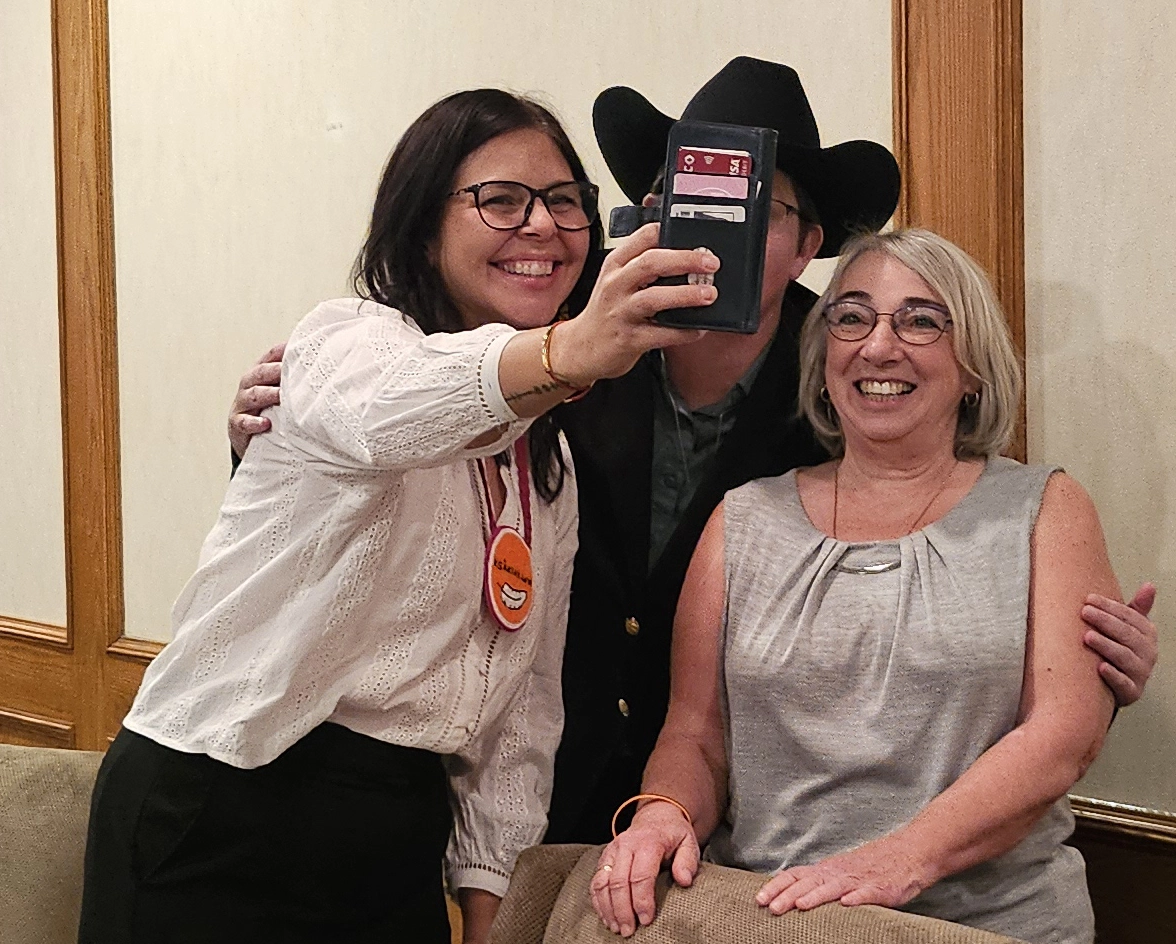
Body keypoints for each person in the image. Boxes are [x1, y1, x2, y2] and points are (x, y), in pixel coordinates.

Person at [226, 59, 1159, 846]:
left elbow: (951, 580)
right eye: (697, 200)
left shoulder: (855, 385)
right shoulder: (563, 328)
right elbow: (413, 431)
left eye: (763, 209)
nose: (725, 230)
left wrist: (1084, 665)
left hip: (735, 830)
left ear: (808, 245)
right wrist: (276, 438)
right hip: (510, 792)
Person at [78, 88, 718, 944]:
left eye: (565, 201)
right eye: (500, 199)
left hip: (392, 836)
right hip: (219, 807)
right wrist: (572, 352)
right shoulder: (342, 344)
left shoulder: (547, 461)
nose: (543, 227)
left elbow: (521, 709)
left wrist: (491, 898)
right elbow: (394, 411)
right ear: (423, 222)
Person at [590, 228, 1135, 944]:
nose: (880, 346)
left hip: (982, 928)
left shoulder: (1047, 508)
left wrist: (898, 863)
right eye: (852, 316)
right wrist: (663, 812)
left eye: (921, 320)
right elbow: (696, 735)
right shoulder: (743, 517)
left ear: (973, 366)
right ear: (821, 362)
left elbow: (1063, 734)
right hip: (768, 921)